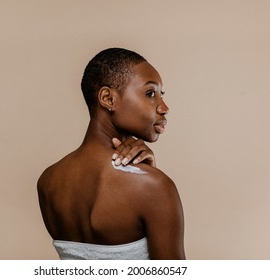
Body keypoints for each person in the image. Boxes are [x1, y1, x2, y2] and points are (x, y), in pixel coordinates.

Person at [37, 48, 185, 260]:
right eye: (150, 93)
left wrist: (148, 175)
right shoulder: (154, 188)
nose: (164, 107)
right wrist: (152, 182)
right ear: (108, 98)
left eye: (161, 95)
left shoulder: (48, 181)